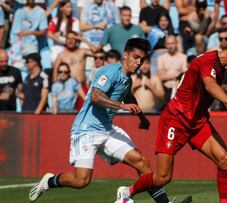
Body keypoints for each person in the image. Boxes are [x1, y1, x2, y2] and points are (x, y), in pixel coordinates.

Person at [29, 38, 189, 203]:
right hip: (86, 130)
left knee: (141, 162)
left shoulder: (127, 80)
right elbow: (95, 96)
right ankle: (49, 181)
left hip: (107, 129)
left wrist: (142, 118)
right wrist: (122, 105)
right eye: (136, 57)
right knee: (81, 181)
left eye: (142, 59)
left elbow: (129, 96)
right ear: (125, 55)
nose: (139, 62)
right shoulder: (110, 71)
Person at [114, 37, 227, 203]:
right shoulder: (208, 60)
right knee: (162, 177)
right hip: (176, 119)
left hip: (197, 122)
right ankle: (126, 192)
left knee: (224, 159)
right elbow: (209, 85)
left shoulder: (220, 66)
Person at [157, 35, 187, 104]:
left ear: (176, 44)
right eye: (168, 44)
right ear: (165, 45)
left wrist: (167, 74)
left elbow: (184, 75)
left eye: (172, 43)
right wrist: (177, 73)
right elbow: (161, 77)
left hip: (178, 87)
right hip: (165, 88)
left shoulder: (183, 57)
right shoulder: (161, 58)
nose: (170, 46)